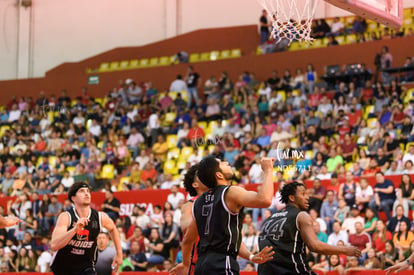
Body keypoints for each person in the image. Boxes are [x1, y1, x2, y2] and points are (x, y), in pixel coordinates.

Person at [172, 156, 275, 275]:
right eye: (221, 163)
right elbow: (265, 200)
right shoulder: (230, 192)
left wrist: (185, 264)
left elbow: (187, 240)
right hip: (222, 263)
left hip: (201, 266)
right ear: (219, 175)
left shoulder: (198, 203)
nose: (226, 162)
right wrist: (268, 170)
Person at [258, 181, 361, 275]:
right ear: (292, 198)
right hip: (292, 270)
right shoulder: (302, 216)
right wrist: (345, 250)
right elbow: (315, 246)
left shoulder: (269, 219)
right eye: (303, 194)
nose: (307, 197)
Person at [50, 182, 123, 274]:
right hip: (63, 267)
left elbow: (113, 229)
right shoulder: (66, 217)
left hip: (86, 266)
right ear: (73, 198)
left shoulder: (100, 217)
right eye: (81, 191)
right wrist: (74, 230)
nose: (86, 193)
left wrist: (119, 254)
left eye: (88, 191)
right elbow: (54, 245)